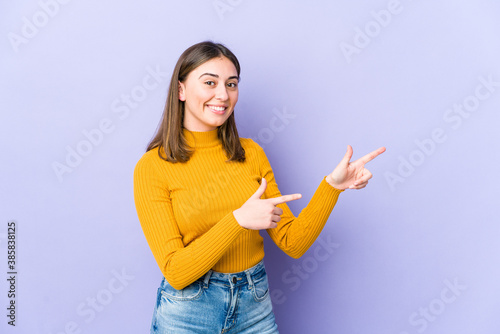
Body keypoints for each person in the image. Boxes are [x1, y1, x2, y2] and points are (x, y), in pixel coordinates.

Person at [133, 41, 385, 334]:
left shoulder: (250, 153)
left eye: (231, 84)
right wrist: (238, 220)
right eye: (210, 83)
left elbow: (293, 242)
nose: (222, 95)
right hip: (188, 313)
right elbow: (176, 272)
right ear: (181, 90)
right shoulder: (153, 166)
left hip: (254, 307)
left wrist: (332, 187)